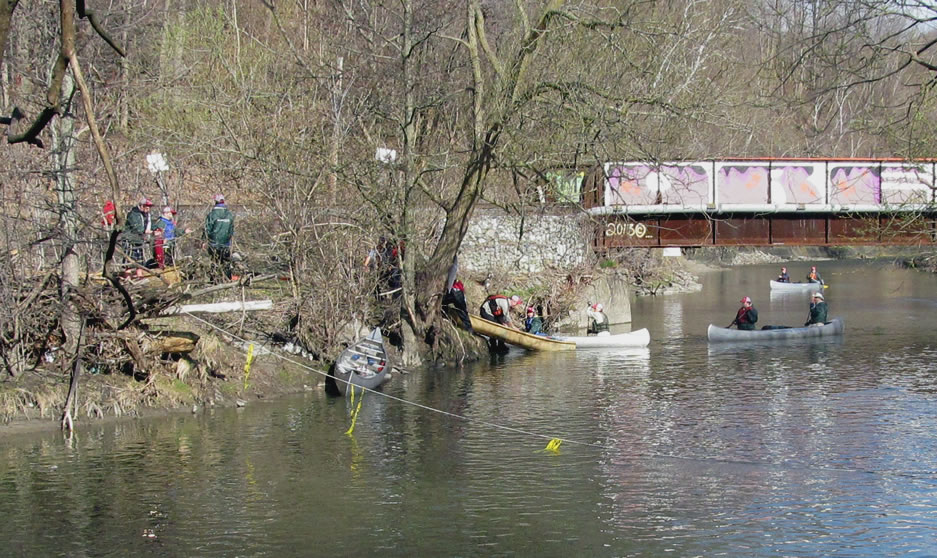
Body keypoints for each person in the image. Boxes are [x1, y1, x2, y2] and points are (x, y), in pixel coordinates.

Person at [204, 194, 235, 280]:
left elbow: (207, 229)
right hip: (226, 244)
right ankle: (228, 280)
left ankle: (214, 281)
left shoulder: (212, 215)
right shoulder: (229, 214)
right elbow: (232, 230)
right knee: (226, 263)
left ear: (215, 202)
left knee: (214, 262)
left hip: (214, 243)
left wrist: (204, 240)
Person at [123, 197, 153, 274]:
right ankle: (127, 276)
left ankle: (139, 275)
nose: (148, 209)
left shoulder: (146, 215)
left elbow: (149, 225)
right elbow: (137, 228)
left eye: (149, 207)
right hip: (130, 240)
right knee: (129, 260)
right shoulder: (133, 214)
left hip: (139, 240)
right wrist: (145, 231)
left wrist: (156, 229)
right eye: (146, 207)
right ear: (141, 206)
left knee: (140, 261)